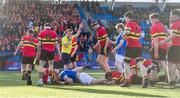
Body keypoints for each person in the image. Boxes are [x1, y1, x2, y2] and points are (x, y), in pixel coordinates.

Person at [121, 11, 142, 87]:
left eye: (125, 18)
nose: (125, 20)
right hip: (138, 46)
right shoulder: (138, 26)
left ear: (127, 17)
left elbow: (127, 31)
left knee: (126, 64)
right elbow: (139, 36)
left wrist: (123, 35)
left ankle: (127, 81)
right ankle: (146, 77)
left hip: (130, 46)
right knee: (140, 63)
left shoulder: (128, 23)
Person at [160, 9, 180, 88]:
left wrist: (163, 41)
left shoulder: (175, 24)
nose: (169, 16)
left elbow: (173, 35)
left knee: (169, 64)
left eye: (170, 15)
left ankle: (171, 82)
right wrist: (167, 31)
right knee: (178, 64)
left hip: (175, 47)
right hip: (178, 46)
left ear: (175, 16)